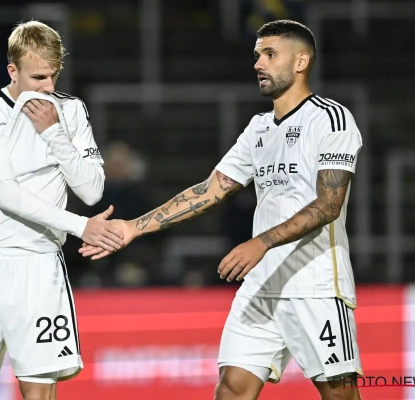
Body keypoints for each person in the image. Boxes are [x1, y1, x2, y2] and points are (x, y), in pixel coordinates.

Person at [80, 19, 363, 400]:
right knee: (231, 388)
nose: (258, 64)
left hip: (315, 285)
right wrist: (133, 227)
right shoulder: (259, 128)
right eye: (257, 55)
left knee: (340, 394)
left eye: (270, 54)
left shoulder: (330, 118)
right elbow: (209, 190)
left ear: (301, 62)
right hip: (261, 286)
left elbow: (329, 204)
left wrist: (261, 242)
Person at [0, 21, 124, 400]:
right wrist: (80, 227)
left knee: (38, 393)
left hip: (40, 268)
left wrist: (54, 133)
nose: (48, 86)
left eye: (54, 75)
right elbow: (6, 194)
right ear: (13, 71)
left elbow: (91, 190)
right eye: (38, 77)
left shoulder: (71, 111)